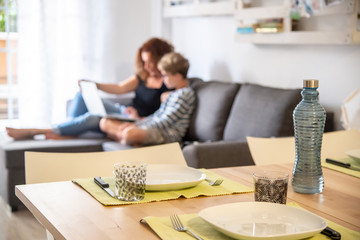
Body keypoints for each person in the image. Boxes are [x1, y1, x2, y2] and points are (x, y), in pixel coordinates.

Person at [6, 38, 174, 140]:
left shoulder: (170, 83)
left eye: (150, 61)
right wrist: (95, 85)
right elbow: (119, 88)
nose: (147, 66)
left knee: (94, 117)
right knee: (81, 96)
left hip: (137, 120)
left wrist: (139, 117)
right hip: (125, 112)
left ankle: (39, 131)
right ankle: (69, 132)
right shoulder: (143, 77)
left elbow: (164, 116)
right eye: (144, 62)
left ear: (162, 58)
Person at [99, 52, 195, 146]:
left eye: (165, 75)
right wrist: (138, 123)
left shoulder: (185, 94)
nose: (163, 79)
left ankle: (123, 137)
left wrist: (137, 126)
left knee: (130, 134)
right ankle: (127, 139)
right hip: (156, 128)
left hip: (167, 134)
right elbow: (158, 115)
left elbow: (166, 121)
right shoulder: (173, 94)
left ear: (177, 75)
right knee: (104, 122)